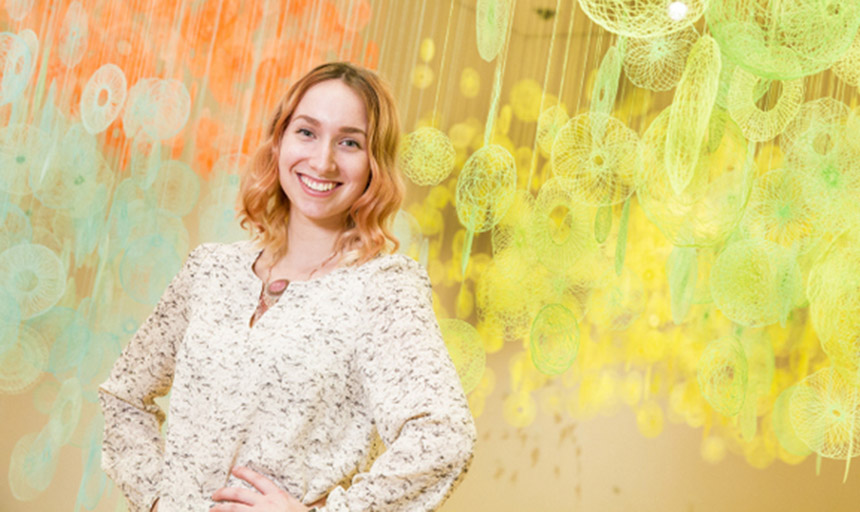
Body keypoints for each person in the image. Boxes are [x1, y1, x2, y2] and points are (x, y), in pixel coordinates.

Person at [99, 62, 477, 512]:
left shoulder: (382, 289)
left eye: (350, 142)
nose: (323, 160)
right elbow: (123, 395)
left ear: (374, 164)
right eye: (307, 132)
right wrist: (160, 499)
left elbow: (443, 435)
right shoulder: (210, 270)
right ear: (278, 141)